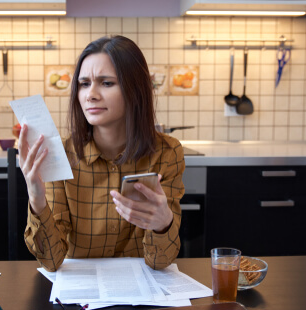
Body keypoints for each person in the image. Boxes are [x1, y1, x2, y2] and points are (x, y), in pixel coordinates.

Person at [18, 35, 185, 272]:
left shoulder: (167, 153)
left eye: (106, 83)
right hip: (81, 297)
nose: (91, 95)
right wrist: (36, 198)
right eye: (84, 84)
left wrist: (162, 224)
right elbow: (51, 261)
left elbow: (160, 262)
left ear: (135, 90)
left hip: (141, 296)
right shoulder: (61, 154)